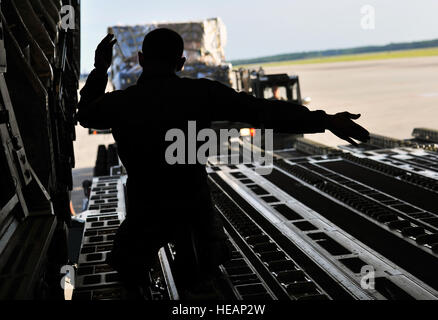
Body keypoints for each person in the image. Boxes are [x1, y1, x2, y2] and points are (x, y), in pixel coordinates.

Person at [77, 29, 370, 288]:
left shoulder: (122, 103)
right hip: (193, 206)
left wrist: (101, 68)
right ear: (181, 63)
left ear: (141, 59)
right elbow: (264, 112)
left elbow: (85, 114)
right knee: (208, 279)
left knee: (129, 273)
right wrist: (327, 121)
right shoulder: (201, 93)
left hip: (146, 208)